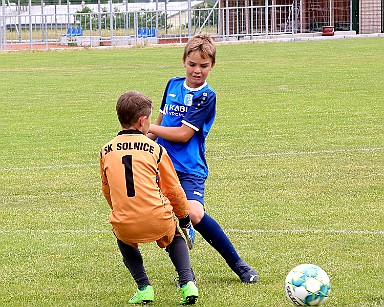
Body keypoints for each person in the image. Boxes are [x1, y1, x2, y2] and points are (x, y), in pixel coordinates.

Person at [148, 34, 259, 283]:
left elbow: (183, 134)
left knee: (194, 213)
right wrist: (142, 144)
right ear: (184, 61)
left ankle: (239, 265)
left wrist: (153, 131)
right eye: (192, 64)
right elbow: (159, 121)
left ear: (212, 66)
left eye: (203, 65)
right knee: (162, 217)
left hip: (189, 168)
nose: (197, 71)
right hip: (162, 166)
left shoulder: (207, 97)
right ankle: (185, 275)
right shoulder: (172, 85)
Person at [100, 90, 199, 305]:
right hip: (157, 219)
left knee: (123, 239)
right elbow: (173, 190)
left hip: (125, 223)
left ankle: (144, 287)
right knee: (174, 237)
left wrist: (119, 210)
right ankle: (187, 282)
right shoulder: (156, 149)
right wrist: (184, 220)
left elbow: (107, 189)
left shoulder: (105, 150)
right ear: (142, 121)